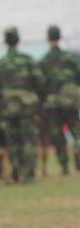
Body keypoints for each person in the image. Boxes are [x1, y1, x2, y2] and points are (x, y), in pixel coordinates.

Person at [0, 27, 44, 183]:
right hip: (27, 108)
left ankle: (16, 172)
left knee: (13, 142)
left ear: (5, 41)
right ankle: (29, 175)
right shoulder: (27, 60)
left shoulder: (0, 64)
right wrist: (37, 103)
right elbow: (40, 82)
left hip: (8, 109)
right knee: (28, 141)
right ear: (18, 40)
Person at [39, 25, 80, 175]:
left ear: (48, 38)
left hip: (53, 105)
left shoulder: (44, 61)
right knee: (77, 133)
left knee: (58, 136)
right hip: (70, 102)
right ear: (59, 37)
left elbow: (40, 85)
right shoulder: (71, 58)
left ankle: (64, 167)